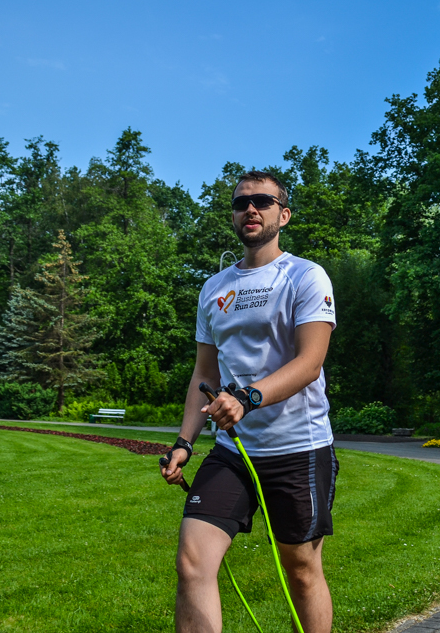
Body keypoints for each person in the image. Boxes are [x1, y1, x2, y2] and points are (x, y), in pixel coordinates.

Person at [160, 170, 338, 633]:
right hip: (233, 451)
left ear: (284, 214)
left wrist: (247, 397)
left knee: (301, 569)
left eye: (262, 201)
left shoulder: (305, 276)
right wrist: (183, 443)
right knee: (192, 561)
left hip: (298, 448)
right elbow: (204, 374)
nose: (251, 209)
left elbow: (310, 362)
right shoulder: (214, 287)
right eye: (241, 203)